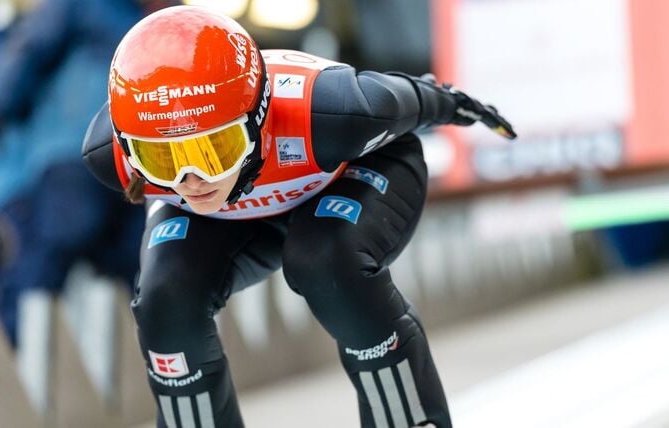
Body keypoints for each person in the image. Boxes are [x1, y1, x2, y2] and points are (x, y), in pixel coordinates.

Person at [82, 6, 516, 427]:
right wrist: (207, 164)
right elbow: (181, 186)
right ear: (128, 147)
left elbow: (415, 98)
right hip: (237, 214)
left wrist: (460, 105)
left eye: (214, 149)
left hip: (347, 177)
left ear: (259, 116)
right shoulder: (111, 157)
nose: (190, 179)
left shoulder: (334, 112)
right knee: (165, 301)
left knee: (326, 261)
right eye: (161, 157)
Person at [0, 0, 174, 345]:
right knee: (141, 259)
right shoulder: (160, 20)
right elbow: (30, 51)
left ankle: (20, 356)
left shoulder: (87, 8)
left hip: (87, 150)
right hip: (117, 155)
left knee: (49, 259)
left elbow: (28, 52)